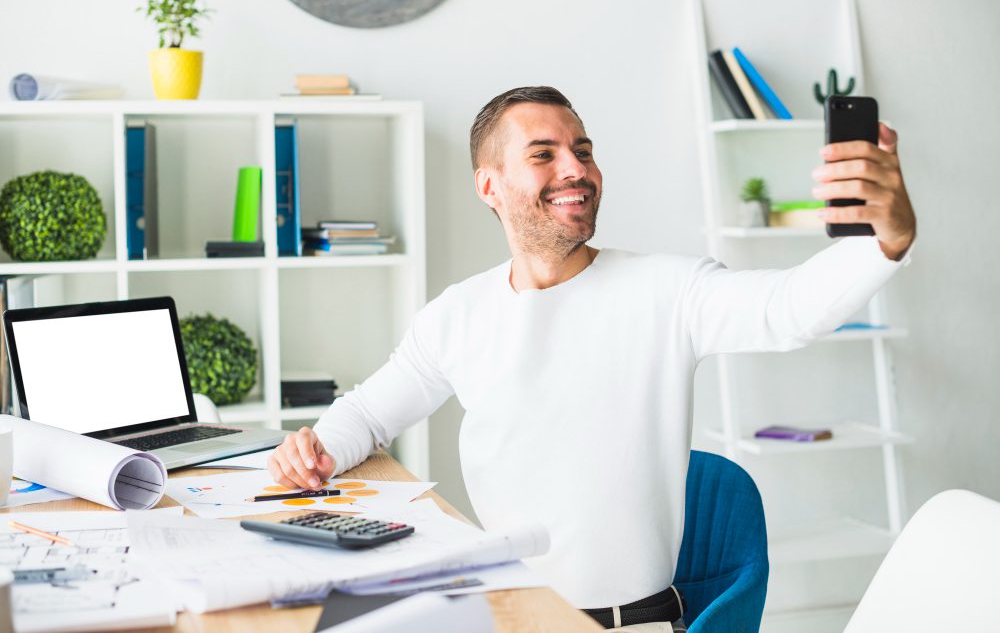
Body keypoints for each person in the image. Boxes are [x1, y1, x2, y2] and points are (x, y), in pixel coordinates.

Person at [269, 86, 916, 631]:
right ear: (489, 185)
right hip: (505, 613)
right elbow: (369, 412)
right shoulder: (457, 315)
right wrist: (315, 448)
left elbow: (790, 307)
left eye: (583, 151)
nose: (575, 168)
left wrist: (887, 238)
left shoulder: (669, 289)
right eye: (544, 154)